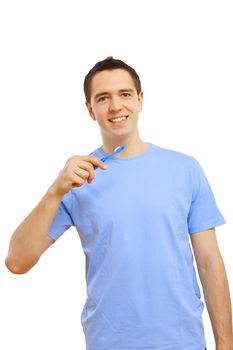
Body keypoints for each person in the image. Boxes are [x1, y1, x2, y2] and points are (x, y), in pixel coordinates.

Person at [5, 56, 233, 350]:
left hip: (182, 342)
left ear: (140, 100)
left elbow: (210, 263)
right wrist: (54, 192)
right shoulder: (77, 180)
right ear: (90, 109)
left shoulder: (185, 169)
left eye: (125, 94)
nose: (115, 106)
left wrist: (225, 346)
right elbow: (17, 261)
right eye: (103, 98)